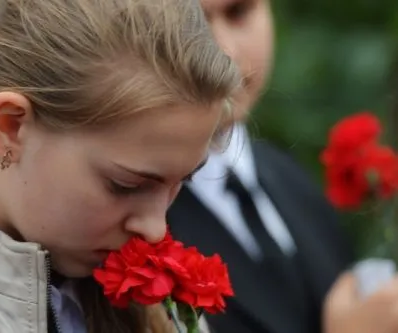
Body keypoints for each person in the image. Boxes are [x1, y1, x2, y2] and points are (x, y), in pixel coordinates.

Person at [0, 0, 240, 332]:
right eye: (125, 185)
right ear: (10, 127)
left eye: (180, 184)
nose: (156, 230)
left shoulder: (151, 307)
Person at [168, 1, 398, 333]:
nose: (224, 50)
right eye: (189, 23)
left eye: (238, 13)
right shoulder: (128, 228)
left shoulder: (289, 178)